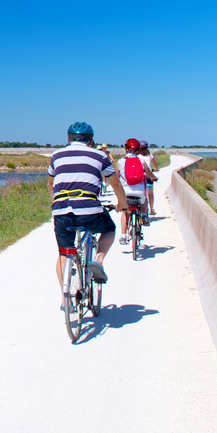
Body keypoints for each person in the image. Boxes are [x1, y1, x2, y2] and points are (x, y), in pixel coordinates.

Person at [47, 122, 127, 306]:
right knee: (109, 229)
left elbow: (50, 184)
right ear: (90, 141)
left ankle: (65, 299)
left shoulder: (56, 155)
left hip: (61, 210)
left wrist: (55, 204)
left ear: (68, 139)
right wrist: (121, 204)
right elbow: (114, 183)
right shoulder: (100, 155)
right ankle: (98, 260)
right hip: (89, 208)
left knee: (63, 254)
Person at [117, 138, 158, 243]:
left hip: (126, 193)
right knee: (144, 200)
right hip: (140, 193)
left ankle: (123, 236)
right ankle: (144, 216)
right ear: (138, 149)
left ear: (126, 149)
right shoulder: (141, 161)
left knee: (125, 213)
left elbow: (116, 177)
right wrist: (154, 178)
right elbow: (149, 174)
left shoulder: (120, 162)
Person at [139, 141, 158, 216]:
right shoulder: (149, 155)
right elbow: (155, 166)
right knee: (150, 194)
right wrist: (155, 169)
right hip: (149, 177)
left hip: (141, 177)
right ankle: (151, 209)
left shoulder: (138, 156)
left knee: (142, 194)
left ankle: (142, 209)